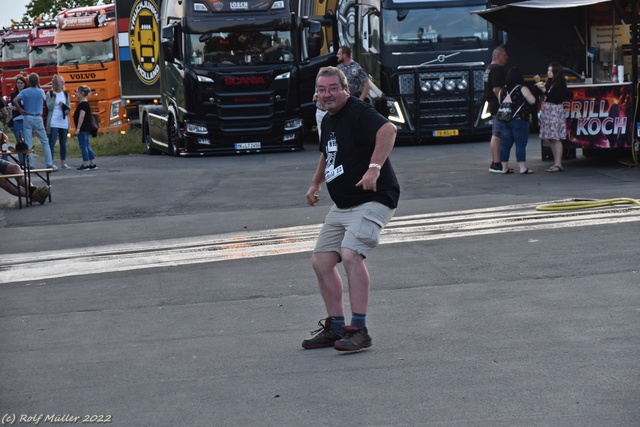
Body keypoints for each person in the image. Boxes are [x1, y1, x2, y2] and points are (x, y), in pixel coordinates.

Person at [302, 66, 400, 352]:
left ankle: (359, 329)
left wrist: (374, 168)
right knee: (320, 261)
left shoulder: (358, 111)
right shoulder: (327, 120)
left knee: (350, 254)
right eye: (322, 90)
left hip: (373, 198)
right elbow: (327, 153)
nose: (327, 94)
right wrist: (315, 184)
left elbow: (389, 129)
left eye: (333, 88)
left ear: (346, 89)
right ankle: (335, 327)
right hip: (343, 204)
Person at [13, 73, 57, 171]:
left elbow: (15, 100)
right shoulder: (41, 91)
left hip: (27, 117)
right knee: (44, 141)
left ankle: (31, 165)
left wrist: (20, 109)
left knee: (28, 141)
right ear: (38, 82)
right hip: (38, 117)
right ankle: (49, 163)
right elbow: (44, 98)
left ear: (28, 82)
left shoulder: (25, 92)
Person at [498, 66, 537, 174]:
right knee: (520, 144)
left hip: (504, 120)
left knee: (505, 145)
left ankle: (504, 168)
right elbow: (532, 101)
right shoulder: (522, 88)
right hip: (519, 120)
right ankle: (522, 168)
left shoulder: (502, 90)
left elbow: (500, 102)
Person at [534, 62, 567, 172]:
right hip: (548, 111)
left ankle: (558, 164)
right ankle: (556, 163)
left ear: (556, 72)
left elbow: (556, 98)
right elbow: (539, 92)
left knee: (556, 137)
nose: (548, 72)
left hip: (555, 111)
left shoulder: (561, 84)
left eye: (551, 71)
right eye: (548, 70)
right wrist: (538, 83)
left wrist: (545, 90)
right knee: (550, 137)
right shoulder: (549, 82)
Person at [484, 46, 509, 173]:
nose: (507, 57)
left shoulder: (489, 68)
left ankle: (495, 162)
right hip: (498, 105)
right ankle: (497, 163)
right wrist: (506, 102)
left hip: (491, 104)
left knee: (496, 133)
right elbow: (496, 89)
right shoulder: (498, 69)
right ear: (498, 56)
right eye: (505, 54)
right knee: (497, 133)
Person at [46, 75, 72, 170]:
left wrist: (64, 106)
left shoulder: (65, 94)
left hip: (63, 121)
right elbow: (49, 107)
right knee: (52, 142)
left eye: (63, 81)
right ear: (56, 83)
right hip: (53, 121)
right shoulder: (50, 93)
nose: (62, 83)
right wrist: (53, 98)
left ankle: (63, 163)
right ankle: (50, 162)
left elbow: (69, 108)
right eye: (60, 81)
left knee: (63, 143)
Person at [73, 85, 97, 170]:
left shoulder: (82, 105)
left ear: (82, 93)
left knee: (83, 146)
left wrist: (78, 128)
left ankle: (85, 163)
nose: (76, 94)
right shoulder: (86, 104)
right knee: (87, 145)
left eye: (77, 92)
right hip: (87, 128)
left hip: (82, 128)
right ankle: (93, 162)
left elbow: (81, 116)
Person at [9, 76, 27, 163]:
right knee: (19, 143)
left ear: (24, 84)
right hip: (17, 119)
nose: (19, 85)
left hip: (27, 119)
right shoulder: (13, 95)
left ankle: (28, 162)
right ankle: (22, 163)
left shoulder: (27, 93)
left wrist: (18, 107)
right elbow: (12, 106)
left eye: (21, 83)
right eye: (18, 83)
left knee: (27, 141)